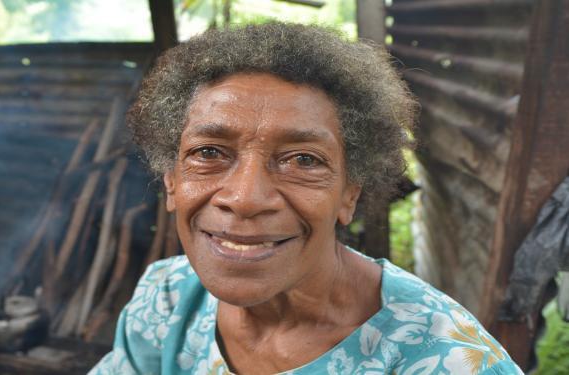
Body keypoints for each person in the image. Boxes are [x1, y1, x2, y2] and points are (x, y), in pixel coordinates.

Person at [90, 23, 522, 374]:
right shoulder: (168, 300)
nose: (245, 198)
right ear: (171, 180)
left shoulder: (445, 361)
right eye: (208, 153)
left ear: (349, 193)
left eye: (303, 160)